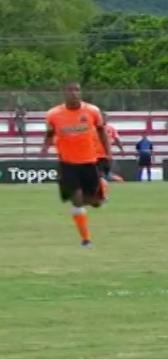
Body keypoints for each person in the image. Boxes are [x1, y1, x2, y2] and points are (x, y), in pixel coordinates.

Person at [41, 82, 111, 247]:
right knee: (77, 199)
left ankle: (103, 185)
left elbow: (101, 131)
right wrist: (45, 148)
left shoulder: (92, 111)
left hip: (89, 162)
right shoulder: (53, 114)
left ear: (81, 92)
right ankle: (86, 239)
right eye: (70, 90)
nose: (74, 93)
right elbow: (50, 134)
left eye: (77, 90)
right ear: (64, 93)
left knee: (96, 202)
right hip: (68, 163)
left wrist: (108, 153)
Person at [96, 113, 125, 200]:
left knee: (103, 176)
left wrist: (121, 149)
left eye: (105, 118)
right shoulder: (94, 128)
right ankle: (101, 195)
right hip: (95, 155)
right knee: (100, 175)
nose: (104, 119)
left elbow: (116, 139)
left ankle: (101, 194)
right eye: (102, 117)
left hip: (106, 155)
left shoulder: (111, 128)